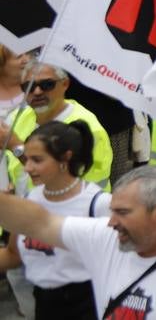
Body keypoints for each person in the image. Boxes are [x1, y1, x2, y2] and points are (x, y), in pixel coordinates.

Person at [0, 165, 156, 320]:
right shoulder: (105, 237)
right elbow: (40, 224)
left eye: (123, 212)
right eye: (112, 211)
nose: (111, 222)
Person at [0, 122, 108, 319]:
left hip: (87, 305)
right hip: (43, 303)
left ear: (65, 158)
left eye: (37, 160)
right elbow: (13, 255)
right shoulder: (30, 199)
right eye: (27, 159)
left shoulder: (98, 204)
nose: (27, 168)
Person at [2, 62, 112, 193]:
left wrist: (16, 147)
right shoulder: (16, 118)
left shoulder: (88, 129)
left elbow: (67, 185)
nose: (37, 92)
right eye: (29, 86)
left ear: (65, 84)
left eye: (47, 85)